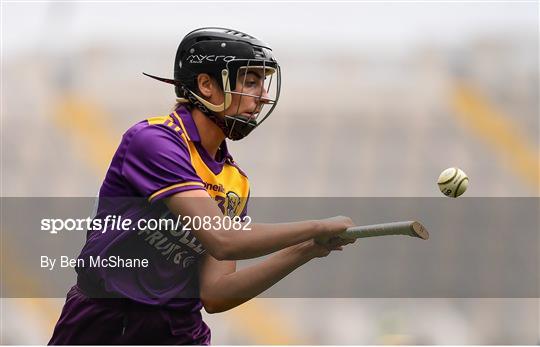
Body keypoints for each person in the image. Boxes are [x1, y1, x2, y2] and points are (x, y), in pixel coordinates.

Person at [49, 27, 355, 345]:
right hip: (109, 324)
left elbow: (216, 294)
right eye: (250, 81)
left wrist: (305, 249)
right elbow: (222, 239)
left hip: (179, 331)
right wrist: (315, 226)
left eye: (263, 83)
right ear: (206, 84)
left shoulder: (235, 182)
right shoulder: (154, 141)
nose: (263, 95)